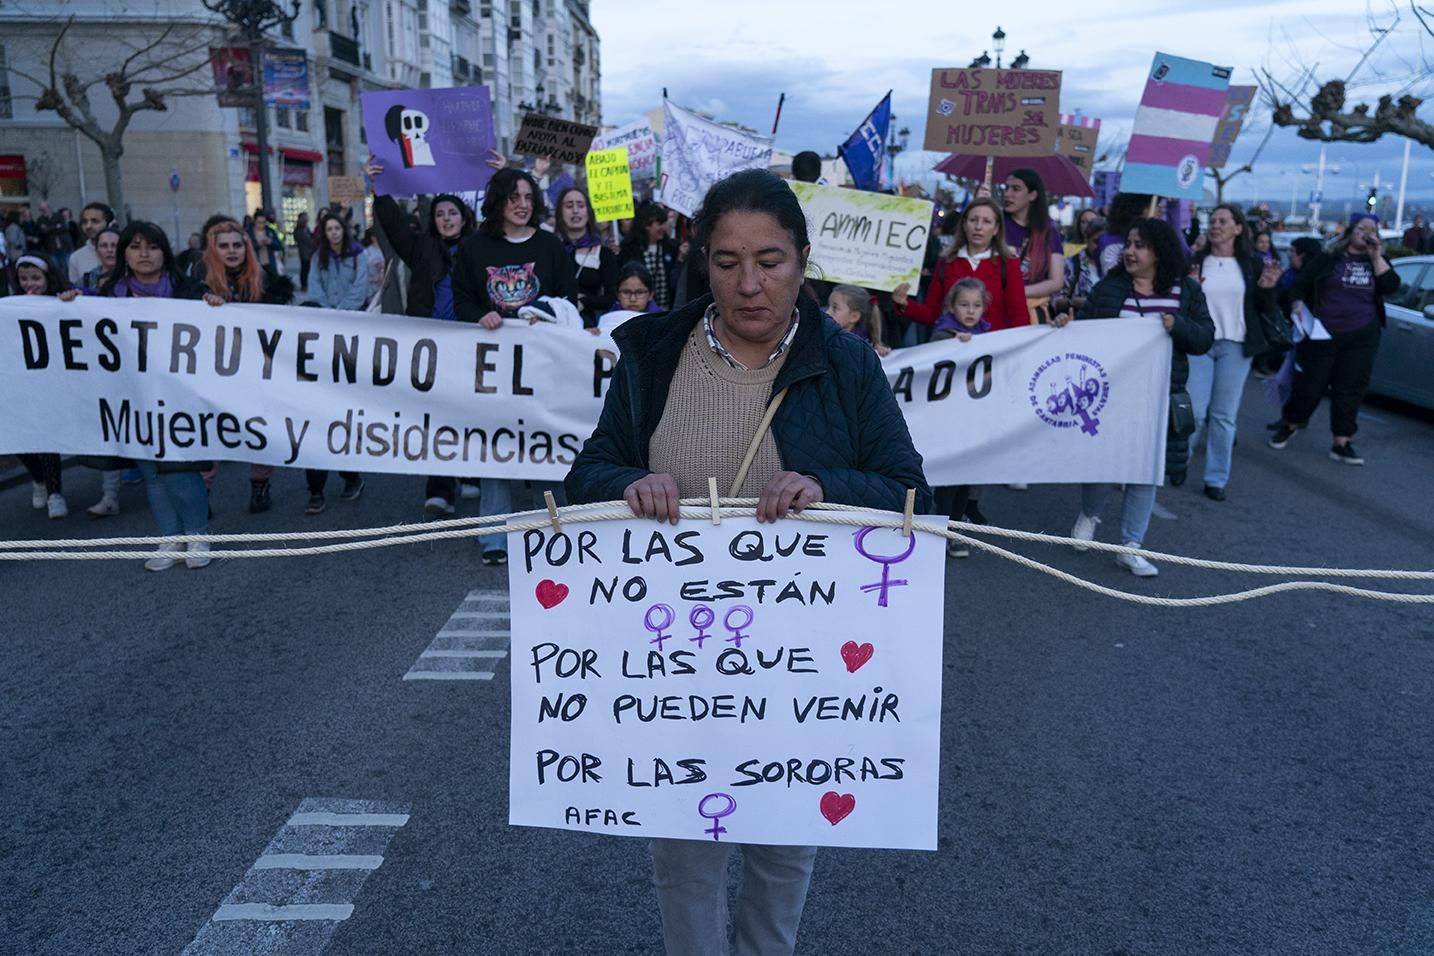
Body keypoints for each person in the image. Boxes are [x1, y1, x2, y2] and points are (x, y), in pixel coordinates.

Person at [566, 168, 930, 956]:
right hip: (677, 660)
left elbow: (911, 495)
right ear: (704, 264)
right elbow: (586, 476)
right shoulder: (651, 353)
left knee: (784, 844)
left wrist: (829, 486)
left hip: (800, 666)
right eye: (727, 262)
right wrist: (630, 481)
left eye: (770, 261)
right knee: (684, 849)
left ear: (803, 261)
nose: (750, 284)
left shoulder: (847, 364)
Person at [1063, 217, 1214, 576]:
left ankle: (1130, 545)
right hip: (1112, 396)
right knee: (1104, 464)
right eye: (1128, 244)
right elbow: (1083, 332)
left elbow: (1205, 337)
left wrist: (1178, 326)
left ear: (1159, 253)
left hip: (1161, 397)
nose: (1129, 251)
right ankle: (1090, 513)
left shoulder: (1187, 292)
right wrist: (1064, 326)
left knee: (1146, 471)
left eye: (1139, 245)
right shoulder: (1110, 288)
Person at [452, 167, 578, 565]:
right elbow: (463, 298)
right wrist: (480, 316)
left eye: (528, 198)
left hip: (544, 367)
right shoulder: (475, 248)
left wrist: (547, 317)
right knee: (497, 446)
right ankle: (495, 537)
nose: (522, 205)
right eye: (513, 198)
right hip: (494, 367)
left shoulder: (550, 246)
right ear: (498, 202)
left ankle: (561, 530)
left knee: (549, 444)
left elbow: (567, 298)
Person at [88, 222, 214, 570]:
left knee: (178, 465)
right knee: (151, 471)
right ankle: (170, 537)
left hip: (178, 395)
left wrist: (214, 305)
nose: (144, 254)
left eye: (153, 247)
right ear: (125, 253)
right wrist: (68, 302)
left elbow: (215, 325)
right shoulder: (109, 296)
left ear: (164, 252)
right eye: (136, 247)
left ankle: (199, 534)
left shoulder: (187, 291)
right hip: (133, 395)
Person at [367, 159, 481, 517]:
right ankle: (440, 486)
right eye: (441, 213)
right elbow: (393, 223)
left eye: (453, 213)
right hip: (430, 348)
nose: (447, 218)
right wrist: (380, 188)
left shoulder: (481, 250)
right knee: (437, 418)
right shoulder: (420, 248)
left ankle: (473, 469)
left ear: (465, 218)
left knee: (471, 412)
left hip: (473, 345)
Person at [1269, 215, 1398, 465]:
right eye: (1362, 228)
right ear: (1350, 232)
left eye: (1372, 230)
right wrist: (1297, 303)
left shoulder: (1377, 260)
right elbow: (1300, 285)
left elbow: (1391, 286)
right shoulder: (1329, 258)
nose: (1367, 233)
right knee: (1310, 385)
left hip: (1361, 335)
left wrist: (1376, 256)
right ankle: (1291, 423)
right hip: (1322, 333)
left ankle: (1342, 441)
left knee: (1350, 387)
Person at [197, 219, 296, 513]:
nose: (231, 251)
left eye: (237, 245)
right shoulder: (200, 280)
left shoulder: (263, 280)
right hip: (213, 370)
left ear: (246, 248)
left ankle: (260, 484)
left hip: (255, 369)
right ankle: (202, 492)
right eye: (224, 246)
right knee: (211, 430)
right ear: (214, 249)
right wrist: (202, 301)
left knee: (258, 426)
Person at [1185, 204, 1283, 500]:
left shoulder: (1251, 264)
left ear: (1238, 228)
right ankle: (1177, 464)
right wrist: (1189, 286)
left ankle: (1216, 479)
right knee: (1196, 411)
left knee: (1224, 416)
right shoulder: (1196, 262)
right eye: (1213, 221)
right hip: (1201, 343)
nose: (1216, 226)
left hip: (1236, 346)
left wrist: (1267, 289)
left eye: (1223, 221)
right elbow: (1182, 305)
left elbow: (1265, 309)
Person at [303, 210, 367, 513]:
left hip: (351, 330)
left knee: (344, 408)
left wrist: (342, 311)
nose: (333, 233)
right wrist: (326, 312)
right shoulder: (319, 258)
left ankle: (350, 474)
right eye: (328, 229)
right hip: (323, 330)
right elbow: (313, 287)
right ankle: (315, 488)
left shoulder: (358, 255)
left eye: (336, 228)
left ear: (343, 230)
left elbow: (361, 286)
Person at [890, 197, 1027, 332]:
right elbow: (932, 314)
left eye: (986, 221)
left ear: (996, 229)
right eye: (973, 220)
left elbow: (1019, 317)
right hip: (952, 348)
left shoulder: (1008, 263)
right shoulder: (947, 262)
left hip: (993, 350)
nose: (978, 227)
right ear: (964, 224)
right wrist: (904, 304)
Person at [930, 276, 994, 556]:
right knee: (948, 480)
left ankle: (954, 529)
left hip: (974, 420)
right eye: (964, 304)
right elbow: (933, 359)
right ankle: (939, 532)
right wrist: (955, 345)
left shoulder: (989, 335)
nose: (970, 311)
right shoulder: (943, 333)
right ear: (952, 307)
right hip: (948, 421)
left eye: (976, 305)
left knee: (966, 478)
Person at [10, 252, 71, 519]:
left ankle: (55, 493)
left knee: (47, 436)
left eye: (35, 277)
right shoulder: (11, 306)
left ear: (48, 277)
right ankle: (39, 479)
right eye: (23, 278)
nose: (29, 283)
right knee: (18, 436)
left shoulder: (60, 303)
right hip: (21, 382)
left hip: (51, 379)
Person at [1002, 168, 1065, 322]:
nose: (1007, 194)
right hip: (996, 307)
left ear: (1033, 195)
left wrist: (1017, 292)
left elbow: (1056, 281)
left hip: (1032, 313)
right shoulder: (996, 224)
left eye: (1016, 189)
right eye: (1007, 188)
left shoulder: (1048, 232)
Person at [554, 185, 620, 325]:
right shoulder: (551, 249)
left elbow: (611, 297)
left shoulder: (605, 254)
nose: (575, 211)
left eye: (580, 205)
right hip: (555, 324)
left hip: (590, 327)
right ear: (560, 212)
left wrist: (584, 302)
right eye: (569, 205)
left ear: (588, 211)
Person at [619, 201, 682, 311]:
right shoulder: (628, 250)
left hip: (668, 309)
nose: (663, 228)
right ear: (645, 225)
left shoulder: (672, 247)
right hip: (639, 310)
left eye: (664, 223)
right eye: (659, 223)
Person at [826, 284, 890, 356]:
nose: (827, 312)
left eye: (835, 308)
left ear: (854, 317)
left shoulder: (856, 346)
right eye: (829, 306)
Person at [598, 261, 663, 332]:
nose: (632, 299)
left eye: (640, 292)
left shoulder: (661, 321)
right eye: (626, 292)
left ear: (651, 294)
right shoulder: (608, 320)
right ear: (618, 294)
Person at [67, 202, 115, 284]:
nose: (88, 226)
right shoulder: (76, 258)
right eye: (85, 222)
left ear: (109, 224)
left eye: (95, 221)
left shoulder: (126, 252)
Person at [1065, 212, 1104, 311]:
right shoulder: (1072, 263)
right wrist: (1073, 303)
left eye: (1105, 241)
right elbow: (1056, 300)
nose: (1101, 246)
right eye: (1096, 241)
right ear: (1087, 239)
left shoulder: (1116, 265)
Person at [294, 211, 315, 291]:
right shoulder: (299, 230)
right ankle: (304, 285)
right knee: (304, 269)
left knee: (307, 269)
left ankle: (306, 284)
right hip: (304, 252)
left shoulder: (306, 228)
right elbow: (307, 240)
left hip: (308, 252)